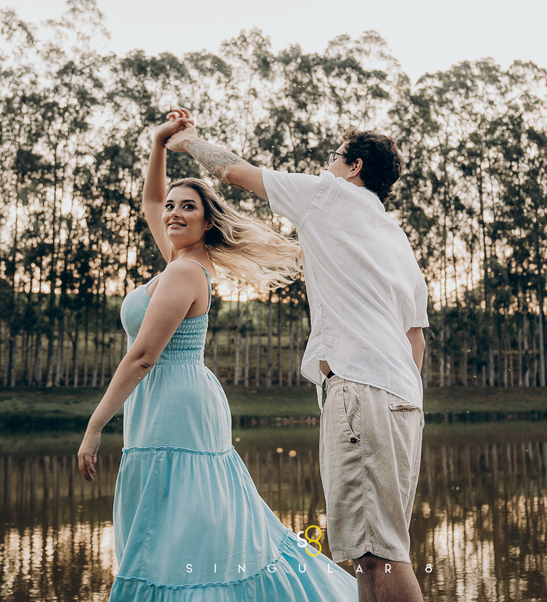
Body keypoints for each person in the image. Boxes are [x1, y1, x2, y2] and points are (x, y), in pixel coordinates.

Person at [77, 112, 358, 601]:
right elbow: (149, 199)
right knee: (171, 516)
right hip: (168, 399)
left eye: (187, 208)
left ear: (207, 222)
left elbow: (143, 356)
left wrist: (95, 425)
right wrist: (160, 144)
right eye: (171, 207)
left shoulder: (185, 272)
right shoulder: (178, 259)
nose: (172, 214)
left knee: (178, 521)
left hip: (174, 401)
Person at [167, 115, 429, 602]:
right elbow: (416, 340)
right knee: (373, 552)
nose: (325, 164)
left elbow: (232, 172)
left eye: (334, 157)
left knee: (380, 554)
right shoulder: (398, 240)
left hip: (360, 391)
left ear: (353, 167)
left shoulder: (328, 196)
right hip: (400, 400)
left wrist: (186, 142)